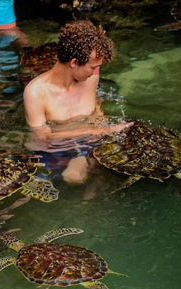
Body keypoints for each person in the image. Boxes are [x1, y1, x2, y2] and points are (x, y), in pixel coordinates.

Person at [23, 20, 130, 183]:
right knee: (72, 177)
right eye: (93, 67)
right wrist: (97, 132)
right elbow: (44, 137)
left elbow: (96, 108)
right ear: (74, 62)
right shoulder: (36, 92)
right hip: (55, 151)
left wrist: (104, 129)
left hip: (88, 144)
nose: (96, 71)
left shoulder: (91, 78)